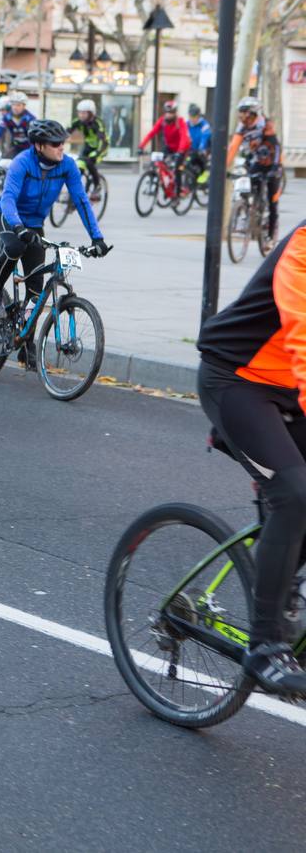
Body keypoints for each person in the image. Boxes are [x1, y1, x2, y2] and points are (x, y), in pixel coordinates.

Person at [196, 222, 306, 695]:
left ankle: (286, 594)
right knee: (296, 493)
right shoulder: (303, 247)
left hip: (289, 390)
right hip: (236, 380)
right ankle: (266, 644)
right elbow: (303, 337)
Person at [0, 119, 109, 321]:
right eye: (55, 143)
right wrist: (17, 226)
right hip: (7, 217)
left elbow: (81, 201)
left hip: (34, 224)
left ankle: (27, 344)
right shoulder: (22, 162)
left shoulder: (67, 165)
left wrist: (97, 238)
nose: (61, 147)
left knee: (35, 295)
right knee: (15, 247)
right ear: (39, 146)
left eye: (62, 143)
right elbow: (8, 198)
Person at [226, 96, 282, 240]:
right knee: (246, 183)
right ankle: (246, 210)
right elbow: (233, 148)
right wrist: (224, 167)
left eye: (246, 113)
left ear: (255, 113)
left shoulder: (265, 125)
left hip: (272, 163)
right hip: (257, 161)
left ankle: (270, 235)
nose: (243, 117)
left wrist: (275, 168)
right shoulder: (242, 128)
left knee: (272, 201)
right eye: (241, 113)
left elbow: (275, 147)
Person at [138, 101, 191, 198]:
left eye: (171, 112)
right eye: (167, 112)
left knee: (177, 169)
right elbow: (152, 133)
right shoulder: (162, 121)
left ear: (175, 113)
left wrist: (180, 151)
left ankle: (178, 193)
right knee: (157, 162)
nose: (168, 115)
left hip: (182, 148)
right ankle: (158, 183)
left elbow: (184, 137)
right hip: (169, 147)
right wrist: (141, 146)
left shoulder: (180, 122)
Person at [67, 100, 108, 201]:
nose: (81, 115)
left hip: (100, 147)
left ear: (91, 113)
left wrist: (97, 153)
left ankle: (97, 185)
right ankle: (75, 191)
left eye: (84, 113)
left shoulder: (98, 123)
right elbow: (66, 131)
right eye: (79, 112)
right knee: (79, 166)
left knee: (89, 162)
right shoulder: (78, 122)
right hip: (88, 146)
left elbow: (102, 140)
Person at [0, 91, 36, 160]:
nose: (15, 107)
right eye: (13, 105)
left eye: (18, 105)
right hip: (16, 147)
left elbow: (34, 138)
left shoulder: (30, 118)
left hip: (29, 149)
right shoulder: (7, 118)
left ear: (24, 106)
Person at [186, 102, 212, 189]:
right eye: (191, 117)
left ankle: (205, 179)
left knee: (202, 162)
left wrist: (202, 148)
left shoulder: (204, 125)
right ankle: (190, 179)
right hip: (192, 148)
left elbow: (205, 137)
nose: (192, 119)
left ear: (198, 116)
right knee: (188, 161)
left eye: (194, 117)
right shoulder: (187, 124)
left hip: (205, 148)